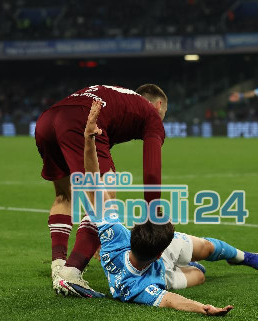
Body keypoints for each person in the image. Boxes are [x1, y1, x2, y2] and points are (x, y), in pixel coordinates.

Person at [56, 100, 258, 316]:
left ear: (132, 234)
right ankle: (192, 265)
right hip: (161, 276)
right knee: (199, 275)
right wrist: (203, 308)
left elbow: (93, 181)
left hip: (149, 256)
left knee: (207, 248)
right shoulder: (138, 288)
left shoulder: (115, 238)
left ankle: (242, 257)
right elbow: (171, 300)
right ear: (161, 252)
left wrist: (89, 138)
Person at [34, 84, 168, 295]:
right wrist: (153, 216)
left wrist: (98, 234)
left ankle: (58, 264)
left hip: (47, 120)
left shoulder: (120, 98)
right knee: (104, 199)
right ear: (158, 105)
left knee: (64, 195)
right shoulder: (151, 114)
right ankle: (71, 273)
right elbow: (151, 172)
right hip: (80, 120)